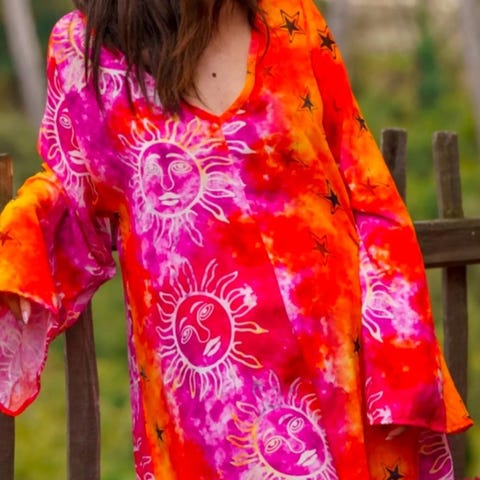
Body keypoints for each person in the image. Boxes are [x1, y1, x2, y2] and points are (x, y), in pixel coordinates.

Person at [0, 0, 473, 478]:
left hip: (348, 385)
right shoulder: (86, 54)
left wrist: (400, 361)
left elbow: (369, 193)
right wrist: (19, 243)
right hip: (212, 415)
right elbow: (76, 188)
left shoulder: (291, 20)